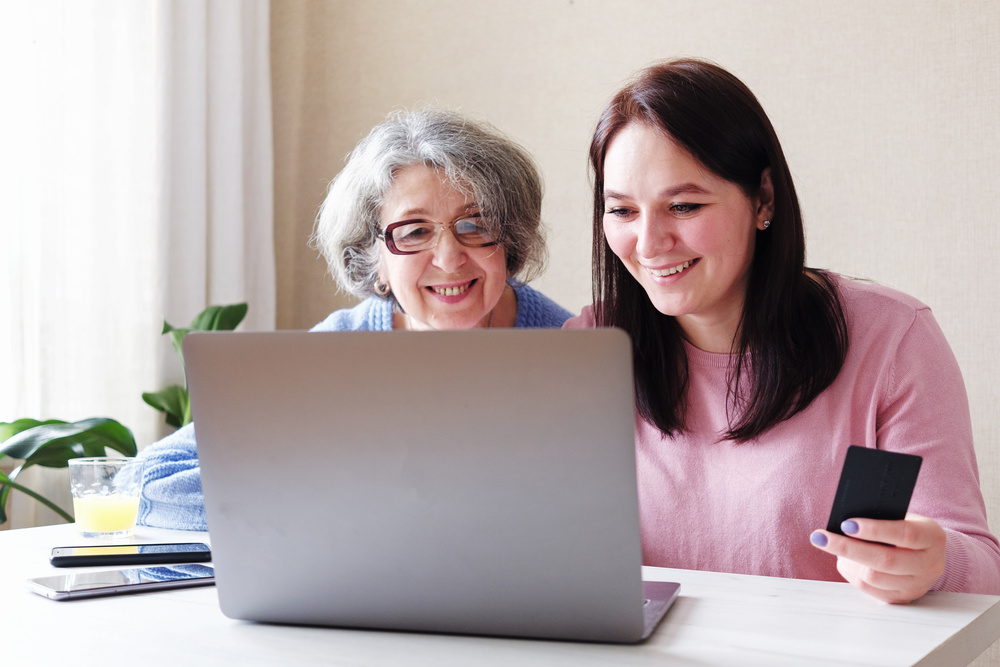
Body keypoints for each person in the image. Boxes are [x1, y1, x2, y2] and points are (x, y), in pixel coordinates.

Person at [565, 58, 1000, 604]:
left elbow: (982, 569)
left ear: (763, 199)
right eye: (622, 211)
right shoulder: (590, 344)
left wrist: (932, 562)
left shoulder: (891, 338)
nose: (649, 244)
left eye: (683, 205)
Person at [138, 108, 572, 530]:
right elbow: (148, 484)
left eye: (475, 224)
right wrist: (349, 492)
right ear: (374, 258)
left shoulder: (570, 347)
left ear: (510, 240)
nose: (448, 257)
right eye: (414, 231)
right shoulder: (334, 353)